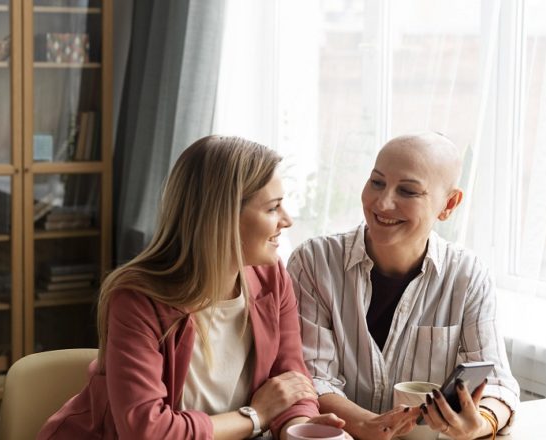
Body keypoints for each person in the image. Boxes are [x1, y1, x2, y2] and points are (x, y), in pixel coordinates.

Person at [39, 135, 348, 439]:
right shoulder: (136, 299)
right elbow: (147, 431)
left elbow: (291, 381)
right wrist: (255, 416)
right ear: (223, 217)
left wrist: (300, 428)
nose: (287, 220)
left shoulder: (272, 278)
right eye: (272, 208)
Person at [288, 132, 520, 440]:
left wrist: (482, 422)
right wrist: (365, 425)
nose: (383, 203)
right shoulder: (313, 262)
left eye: (408, 191)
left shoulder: (468, 274)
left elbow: (498, 384)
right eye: (377, 182)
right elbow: (310, 377)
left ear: (449, 204)